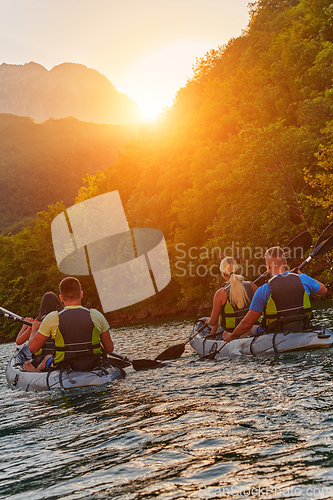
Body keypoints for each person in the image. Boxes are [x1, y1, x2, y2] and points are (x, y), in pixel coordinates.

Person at [222, 246, 327, 342]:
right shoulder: (303, 279)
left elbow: (246, 324)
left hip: (275, 334)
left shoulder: (263, 290)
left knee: (250, 329)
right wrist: (302, 274)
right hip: (302, 327)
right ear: (285, 263)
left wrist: (231, 336)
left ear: (268, 265)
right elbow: (324, 290)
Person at [25, 277, 114, 372]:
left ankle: (34, 371)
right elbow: (109, 348)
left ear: (61, 298)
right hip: (93, 365)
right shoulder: (96, 315)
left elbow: (33, 349)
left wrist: (34, 329)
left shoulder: (53, 317)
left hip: (64, 367)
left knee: (48, 357)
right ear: (81, 294)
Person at [205, 257, 258, 336]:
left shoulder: (221, 293)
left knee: (217, 320)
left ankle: (210, 338)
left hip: (230, 332)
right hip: (251, 328)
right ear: (236, 270)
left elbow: (213, 322)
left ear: (223, 273)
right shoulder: (252, 285)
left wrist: (208, 321)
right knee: (219, 319)